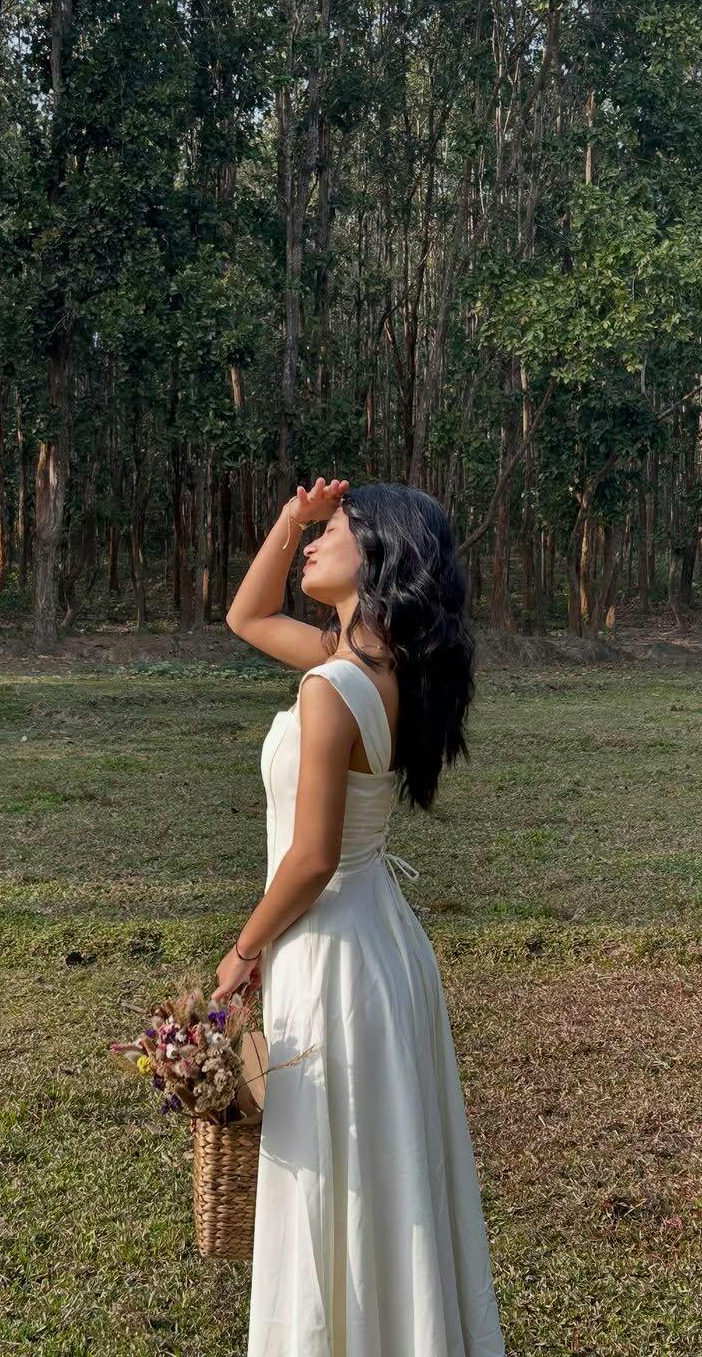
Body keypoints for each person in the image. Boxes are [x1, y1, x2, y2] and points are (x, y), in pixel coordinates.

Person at [211, 477, 508, 1356]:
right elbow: (245, 615)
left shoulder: (332, 685)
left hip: (331, 950)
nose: (312, 544)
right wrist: (289, 518)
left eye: (330, 530)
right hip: (383, 945)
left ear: (376, 551)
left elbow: (311, 859)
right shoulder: (381, 669)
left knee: (336, 1179)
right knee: (386, 1171)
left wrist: (242, 950)